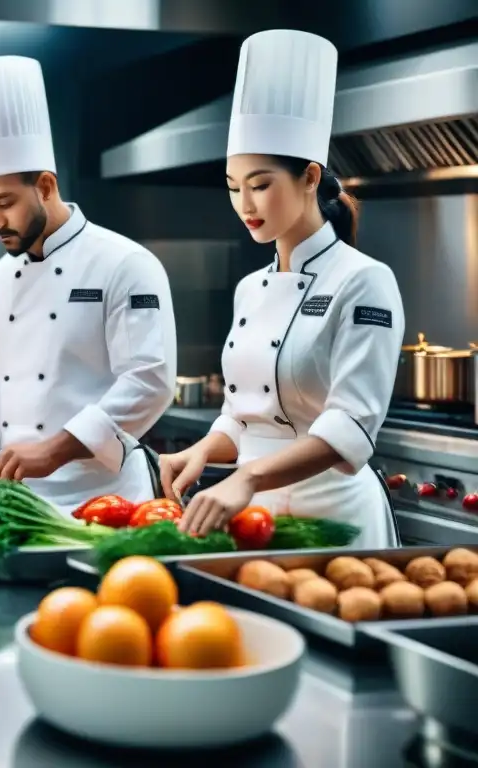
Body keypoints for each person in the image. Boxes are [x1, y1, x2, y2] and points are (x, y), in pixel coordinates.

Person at [161, 30, 404, 548]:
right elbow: (246, 415)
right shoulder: (251, 288)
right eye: (233, 187)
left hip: (336, 519)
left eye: (261, 184)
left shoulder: (364, 281)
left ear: (310, 177)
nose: (245, 204)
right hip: (254, 518)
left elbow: (351, 426)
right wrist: (207, 448)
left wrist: (248, 477)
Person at [0, 55, 177, 512]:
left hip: (108, 502)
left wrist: (54, 450)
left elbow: (150, 381)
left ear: (45, 185)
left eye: (5, 202)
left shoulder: (125, 263)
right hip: (20, 500)